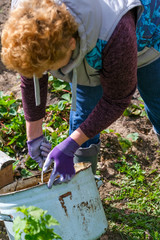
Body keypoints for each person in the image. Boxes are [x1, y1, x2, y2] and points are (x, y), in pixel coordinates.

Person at [1, 0, 160, 189]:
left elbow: (117, 98)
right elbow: (32, 74)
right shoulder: (25, 18)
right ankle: (83, 190)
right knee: (84, 115)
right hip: (95, 45)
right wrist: (34, 135)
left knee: (157, 98)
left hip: (147, 36)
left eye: (52, 67)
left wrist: (70, 144)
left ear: (71, 44)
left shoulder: (114, 29)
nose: (49, 72)